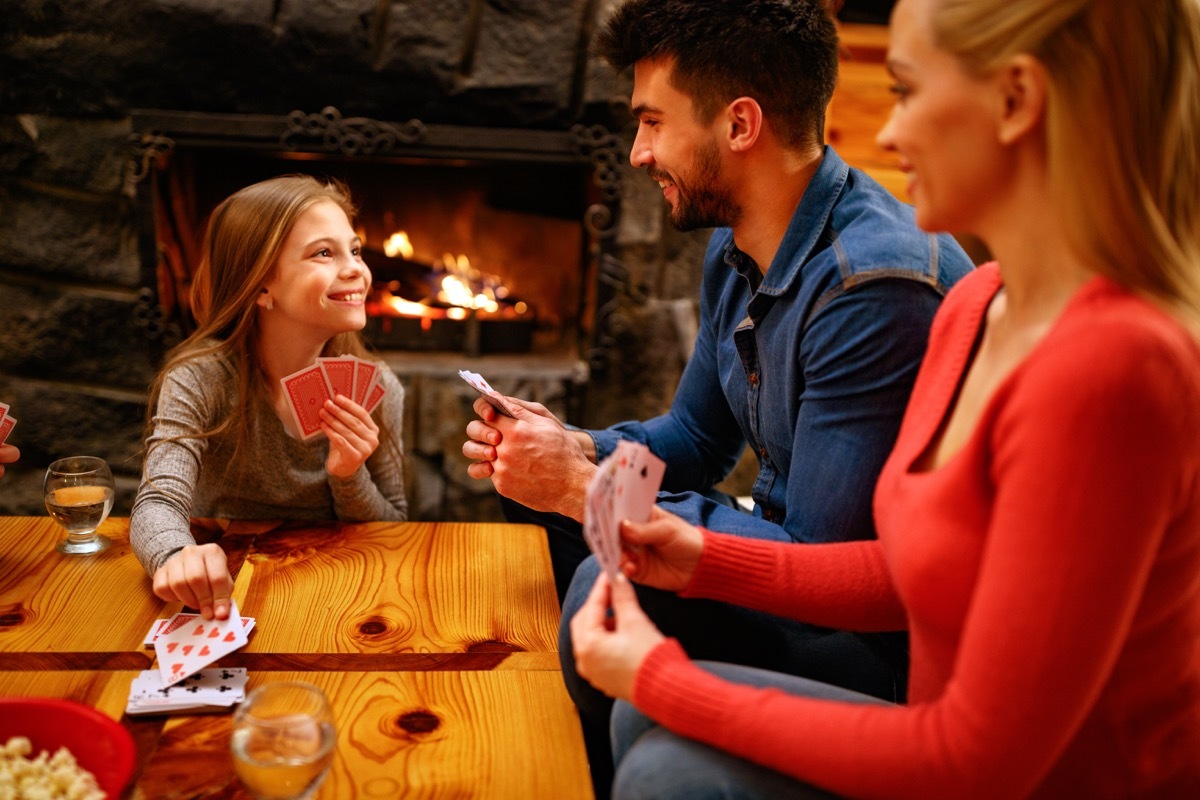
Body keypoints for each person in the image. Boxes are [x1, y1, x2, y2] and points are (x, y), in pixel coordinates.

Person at [570, 0, 1200, 796]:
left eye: (903, 89)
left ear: (1015, 101)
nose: (890, 135)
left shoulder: (1113, 367)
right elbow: (905, 573)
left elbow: (978, 763)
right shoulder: (982, 305)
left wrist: (666, 679)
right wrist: (703, 558)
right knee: (644, 718)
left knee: (669, 763)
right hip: (938, 723)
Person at [462, 0, 973, 792]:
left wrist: (586, 490)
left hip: (871, 643)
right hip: (778, 561)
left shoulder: (873, 289)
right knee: (540, 502)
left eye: (653, 123)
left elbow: (820, 571)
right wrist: (574, 452)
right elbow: (696, 442)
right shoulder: (736, 248)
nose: (637, 153)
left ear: (740, 125)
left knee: (605, 573)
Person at [131, 175, 407, 621]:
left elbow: (394, 529)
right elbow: (158, 502)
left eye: (354, 249)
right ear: (261, 286)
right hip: (223, 598)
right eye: (323, 253)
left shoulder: (380, 386)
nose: (357, 267)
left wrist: (348, 474)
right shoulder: (200, 380)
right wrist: (173, 555)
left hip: (337, 597)